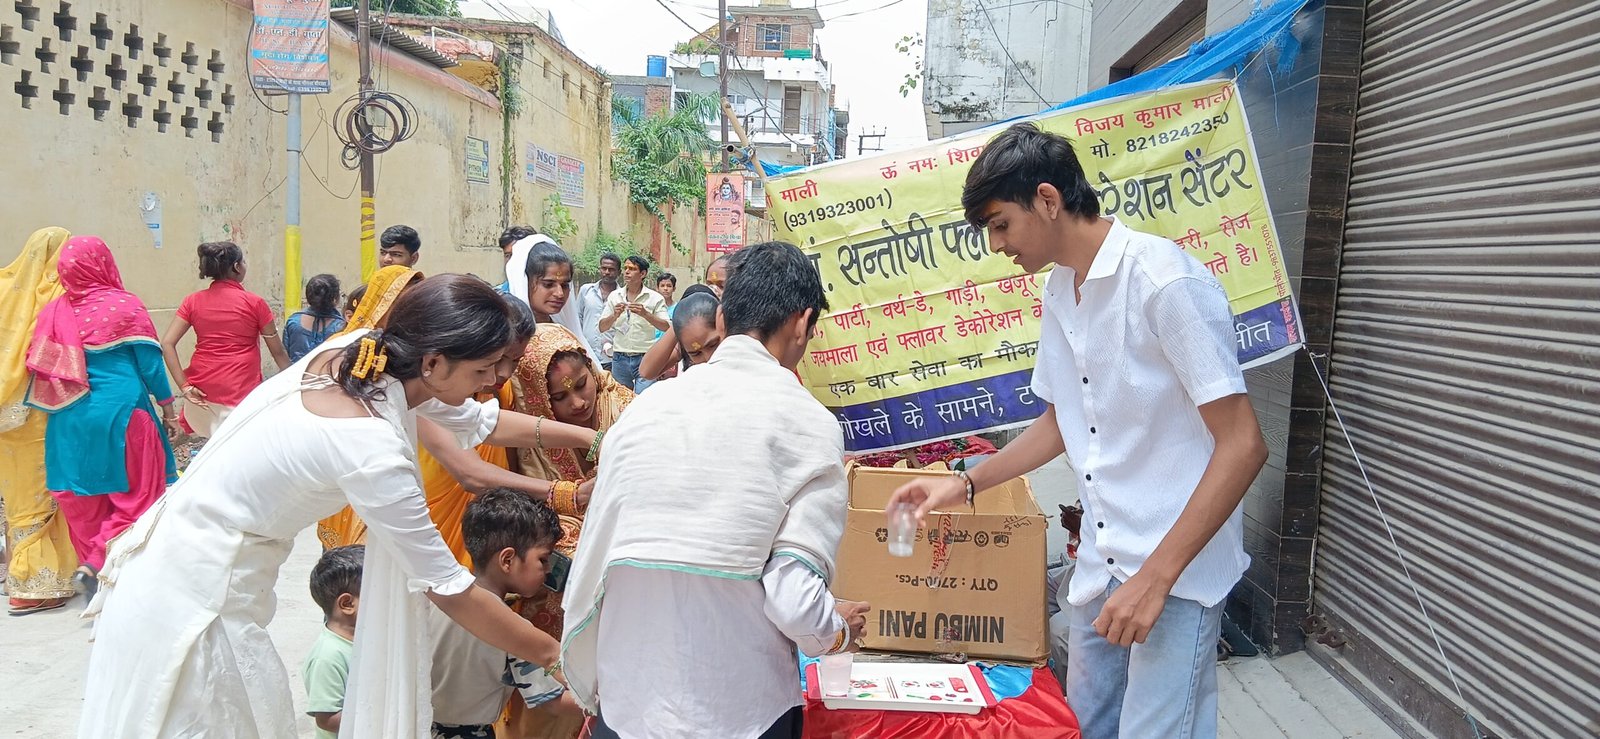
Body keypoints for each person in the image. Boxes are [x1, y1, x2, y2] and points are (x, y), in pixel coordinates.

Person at [78, 275, 604, 738]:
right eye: (485, 369)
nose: (492, 382)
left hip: (181, 563)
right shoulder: (369, 444)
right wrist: (557, 657)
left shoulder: (363, 355)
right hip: (195, 596)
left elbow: (476, 420)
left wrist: (595, 437)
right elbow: (450, 589)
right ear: (433, 361)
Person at [886, 122, 1268, 739]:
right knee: (1084, 726)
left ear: (1047, 199)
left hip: (1174, 572)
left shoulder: (1164, 283)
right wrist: (963, 484)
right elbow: (1063, 422)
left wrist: (1156, 580)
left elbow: (1244, 443)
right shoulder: (1062, 288)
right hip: (1101, 562)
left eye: (1000, 224)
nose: (996, 245)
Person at [562, 241, 869, 739]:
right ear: (802, 323)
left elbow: (598, 561)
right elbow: (794, 600)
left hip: (628, 705)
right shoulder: (808, 424)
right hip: (740, 711)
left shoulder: (645, 410)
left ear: (722, 319)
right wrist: (835, 632)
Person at [26, 236, 180, 600]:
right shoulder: (125, 305)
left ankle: (97, 579)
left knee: (83, 501)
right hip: (124, 414)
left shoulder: (53, 313)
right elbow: (150, 366)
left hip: (68, 418)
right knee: (139, 494)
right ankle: (99, 564)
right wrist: (168, 409)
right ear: (104, 264)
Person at [416, 296, 554, 565]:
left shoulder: (503, 391)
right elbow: (472, 474)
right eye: (497, 359)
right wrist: (564, 493)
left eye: (515, 362)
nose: (503, 373)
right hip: (431, 528)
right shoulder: (427, 395)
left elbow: (511, 459)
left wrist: (593, 440)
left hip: (490, 528)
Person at [431, 490, 577, 739]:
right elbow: (553, 702)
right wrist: (606, 699)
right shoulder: (513, 630)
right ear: (507, 560)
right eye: (543, 559)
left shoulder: (436, 596)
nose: (548, 570)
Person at [318, 264, 426, 549]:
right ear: (382, 302)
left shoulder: (409, 353)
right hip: (347, 457)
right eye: (404, 304)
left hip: (386, 462)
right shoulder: (341, 347)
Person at [0, 226, 78, 615]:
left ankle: (23, 575)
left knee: (18, 497)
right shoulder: (58, 296)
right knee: (47, 495)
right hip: (42, 414)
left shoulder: (5, 289)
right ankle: (36, 585)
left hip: (5, 416)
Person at [160, 240, 290, 437]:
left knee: (213, 445)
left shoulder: (192, 301)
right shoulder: (255, 303)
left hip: (201, 394)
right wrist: (294, 380)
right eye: (243, 262)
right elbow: (278, 353)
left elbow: (167, 343)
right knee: (240, 448)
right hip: (239, 394)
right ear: (236, 267)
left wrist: (184, 387)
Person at [505, 235, 601, 366]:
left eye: (565, 285)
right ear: (525, 282)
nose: (559, 293)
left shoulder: (565, 331)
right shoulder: (508, 335)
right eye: (548, 284)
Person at [303, 544, 364, 739]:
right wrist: (379, 712)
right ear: (347, 604)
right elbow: (327, 719)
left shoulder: (363, 640)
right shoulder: (328, 656)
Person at [598, 255, 668, 392]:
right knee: (621, 399)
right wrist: (614, 315)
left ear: (643, 274)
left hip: (645, 356)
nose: (627, 272)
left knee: (644, 398)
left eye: (632, 269)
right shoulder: (615, 296)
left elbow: (666, 326)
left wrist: (646, 314)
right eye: (625, 268)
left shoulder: (655, 298)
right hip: (619, 357)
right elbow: (602, 327)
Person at [637, 286, 722, 381]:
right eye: (696, 354)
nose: (708, 358)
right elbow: (646, 372)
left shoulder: (732, 339)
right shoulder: (685, 345)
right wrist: (679, 324)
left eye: (713, 345)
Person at [285, 274, 348, 362]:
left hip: (296, 371)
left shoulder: (293, 321)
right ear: (335, 298)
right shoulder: (342, 327)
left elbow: (285, 354)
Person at [576, 253, 619, 370]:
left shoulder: (622, 296)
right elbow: (578, 318)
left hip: (611, 357)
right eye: (604, 268)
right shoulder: (586, 291)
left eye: (611, 269)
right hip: (586, 353)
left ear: (619, 272)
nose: (607, 272)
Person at [497, 226, 537, 293]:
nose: (512, 261)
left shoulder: (546, 294)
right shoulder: (497, 295)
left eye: (517, 255)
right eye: (508, 255)